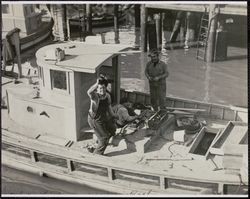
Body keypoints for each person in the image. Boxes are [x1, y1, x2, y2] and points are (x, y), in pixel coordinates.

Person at [87, 75, 118, 155]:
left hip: (103, 117)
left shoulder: (107, 96)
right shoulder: (95, 96)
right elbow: (89, 92)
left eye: (104, 88)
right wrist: (97, 83)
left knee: (112, 129)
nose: (102, 90)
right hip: (94, 120)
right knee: (104, 138)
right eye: (100, 88)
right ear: (97, 89)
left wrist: (114, 116)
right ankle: (97, 155)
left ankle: (96, 146)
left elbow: (109, 108)